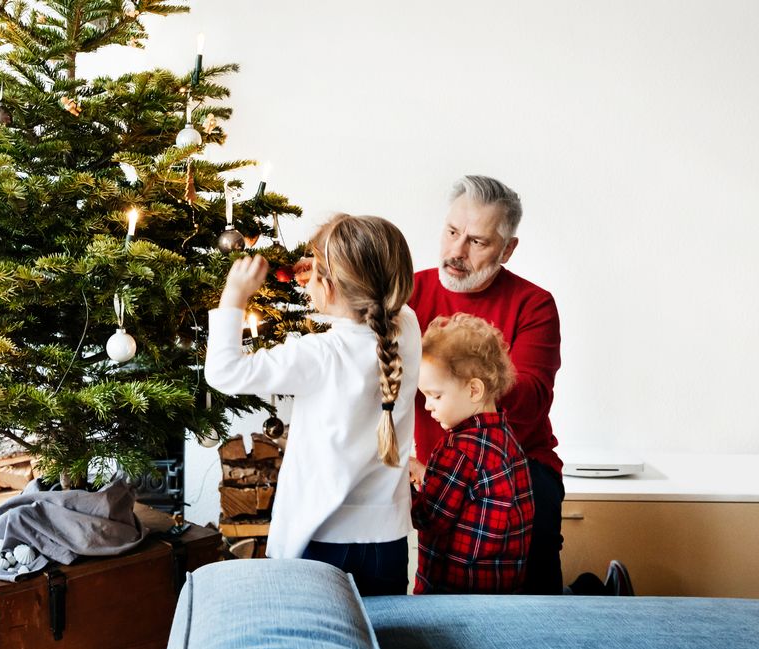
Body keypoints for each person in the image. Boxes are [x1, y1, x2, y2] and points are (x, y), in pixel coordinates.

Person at [205, 214, 421, 595]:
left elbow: (224, 372)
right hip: (387, 539)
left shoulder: (320, 355)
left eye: (316, 269)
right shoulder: (407, 328)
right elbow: (370, 288)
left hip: (320, 541)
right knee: (384, 638)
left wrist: (234, 296)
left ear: (331, 286)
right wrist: (328, 269)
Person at [408, 175, 564, 594]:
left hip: (519, 463)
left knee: (532, 563)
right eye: (452, 232)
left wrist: (464, 370)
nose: (456, 252)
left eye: (477, 242)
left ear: (508, 249)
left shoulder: (535, 304)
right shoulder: (406, 294)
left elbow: (529, 403)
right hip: (437, 464)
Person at [411, 313, 534, 594]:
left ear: (474, 389)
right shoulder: (505, 438)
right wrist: (426, 474)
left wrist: (397, 485)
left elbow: (428, 517)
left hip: (455, 591)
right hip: (501, 586)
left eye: (436, 395)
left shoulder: (457, 451)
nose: (428, 406)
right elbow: (468, 492)